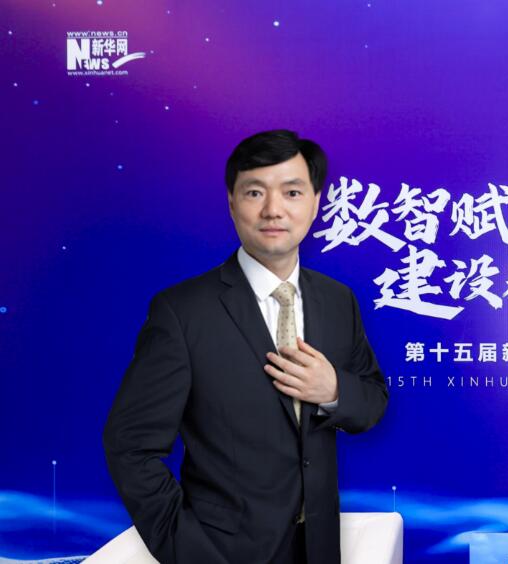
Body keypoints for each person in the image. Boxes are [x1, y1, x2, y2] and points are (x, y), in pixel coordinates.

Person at [103, 129, 388, 563]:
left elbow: (372, 401)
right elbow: (129, 446)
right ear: (232, 202)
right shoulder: (182, 312)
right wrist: (189, 551)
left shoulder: (337, 300)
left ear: (315, 203)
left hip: (320, 549)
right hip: (224, 553)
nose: (273, 209)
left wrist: (333, 390)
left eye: (292, 192)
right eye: (255, 192)